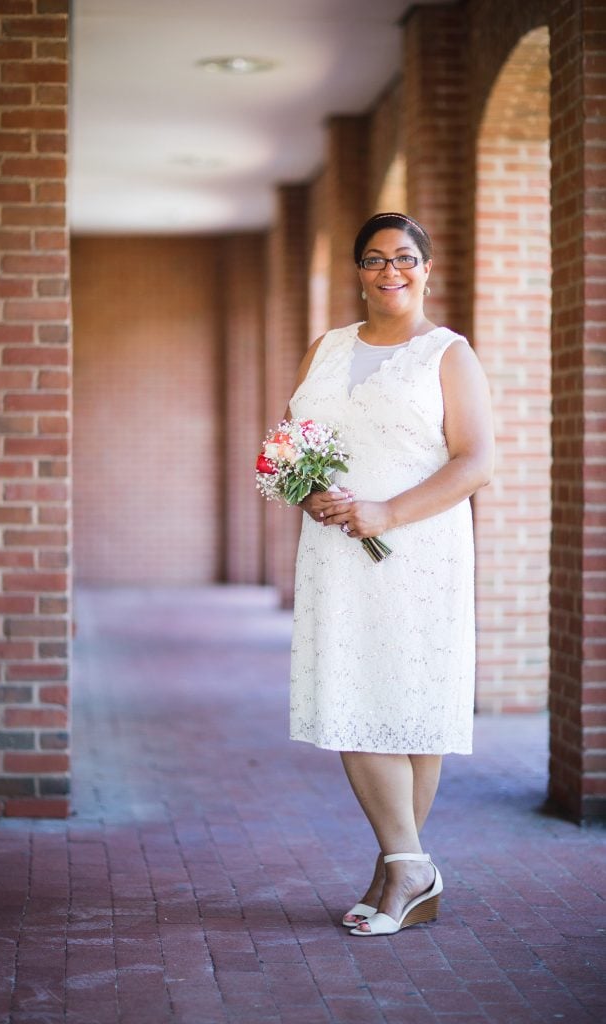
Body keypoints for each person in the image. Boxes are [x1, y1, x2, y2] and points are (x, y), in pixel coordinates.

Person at [284, 212, 495, 936]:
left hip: (418, 546)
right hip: (337, 547)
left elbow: (474, 461)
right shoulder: (326, 347)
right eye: (373, 260)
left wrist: (387, 512)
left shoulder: (447, 353)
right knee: (357, 689)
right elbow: (294, 442)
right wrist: (303, 488)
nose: (389, 272)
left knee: (410, 703)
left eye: (403, 259)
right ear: (358, 272)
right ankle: (403, 867)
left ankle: (404, 865)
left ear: (426, 268)